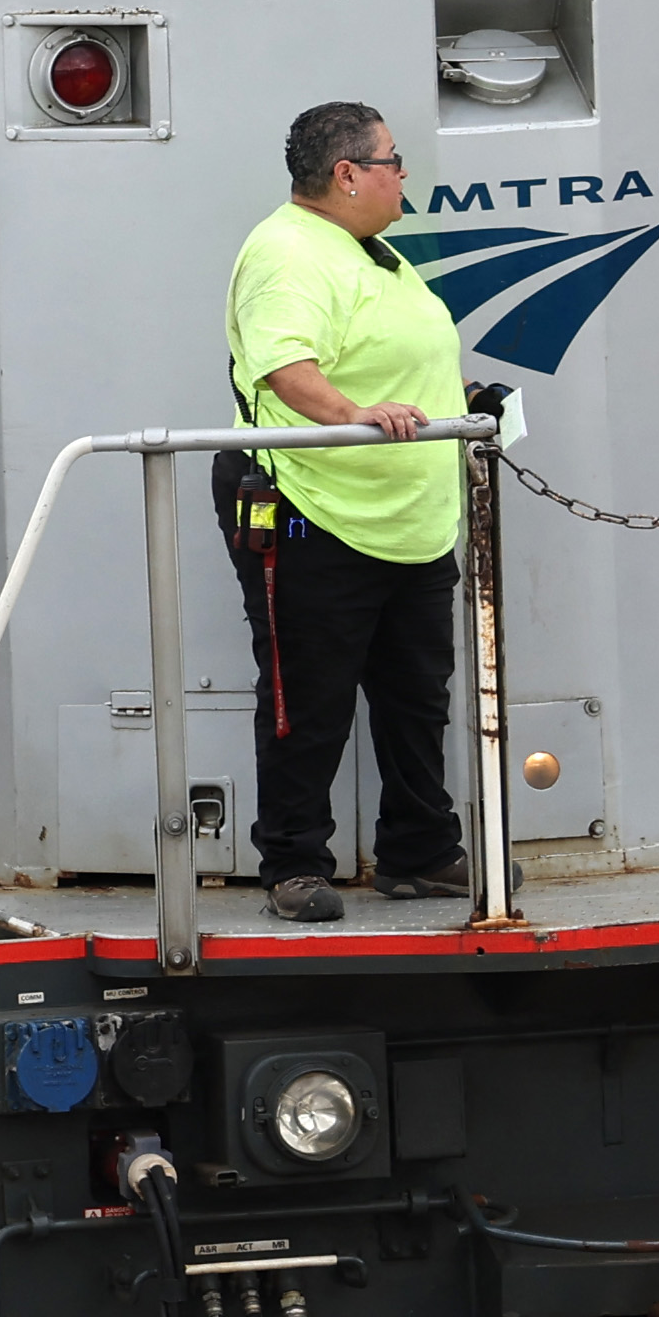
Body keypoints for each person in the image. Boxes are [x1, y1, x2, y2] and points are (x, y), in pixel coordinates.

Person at [222, 99, 470, 922]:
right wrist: (347, 416)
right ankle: (293, 863)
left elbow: (386, 352)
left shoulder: (370, 252)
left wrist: (453, 400)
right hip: (309, 508)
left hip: (408, 518)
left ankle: (420, 852)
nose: (405, 176)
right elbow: (286, 363)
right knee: (308, 694)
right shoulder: (290, 253)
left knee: (415, 693)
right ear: (349, 174)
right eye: (394, 161)